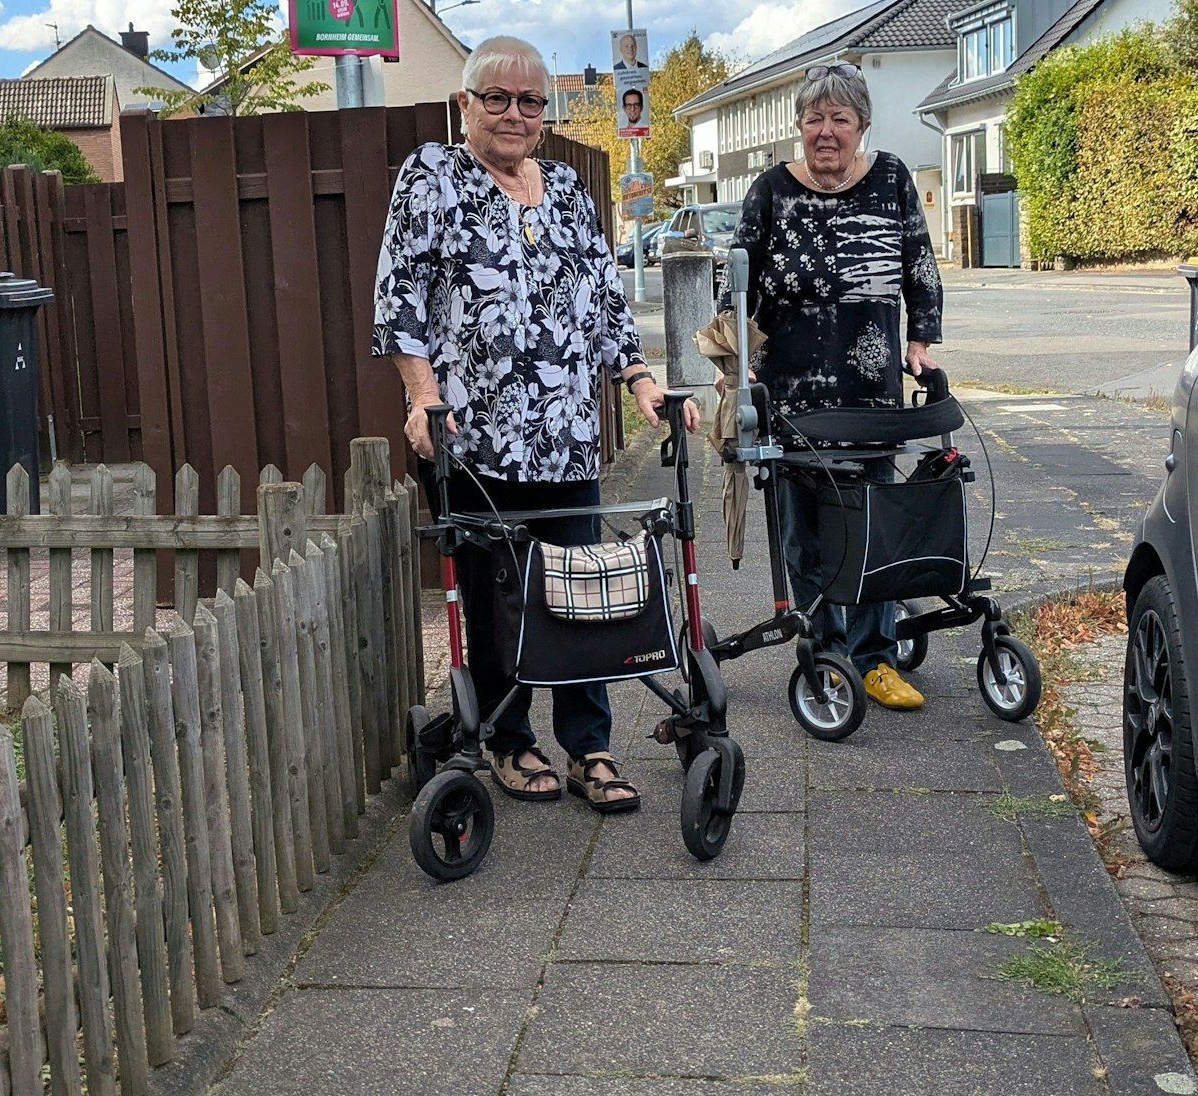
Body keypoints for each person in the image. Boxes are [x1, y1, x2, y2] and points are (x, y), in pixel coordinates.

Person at [372, 35, 698, 811]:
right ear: (466, 105)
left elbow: (606, 300)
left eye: (530, 102)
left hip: (564, 439)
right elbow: (399, 299)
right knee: (497, 600)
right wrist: (421, 398)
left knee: (580, 595)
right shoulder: (433, 177)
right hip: (471, 437)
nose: (515, 114)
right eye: (497, 98)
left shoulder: (564, 190)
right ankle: (509, 739)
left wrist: (641, 380)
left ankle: (590, 745)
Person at [728, 60, 943, 712]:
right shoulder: (770, 191)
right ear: (800, 125)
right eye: (814, 118)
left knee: (874, 521)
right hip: (792, 396)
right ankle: (823, 656)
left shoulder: (892, 179)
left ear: (862, 126)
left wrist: (920, 341)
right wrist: (735, 365)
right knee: (807, 535)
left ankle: (875, 659)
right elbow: (733, 289)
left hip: (870, 390)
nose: (826, 131)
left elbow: (919, 263)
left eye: (839, 119)